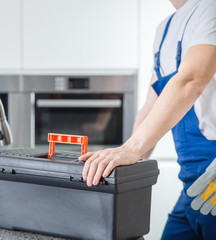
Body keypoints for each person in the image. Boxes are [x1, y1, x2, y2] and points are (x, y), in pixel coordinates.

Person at [79, 0, 216, 239]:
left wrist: (131, 148)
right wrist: (119, 167)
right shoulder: (164, 29)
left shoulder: (210, 8)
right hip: (192, 183)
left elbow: (191, 79)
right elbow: (150, 106)